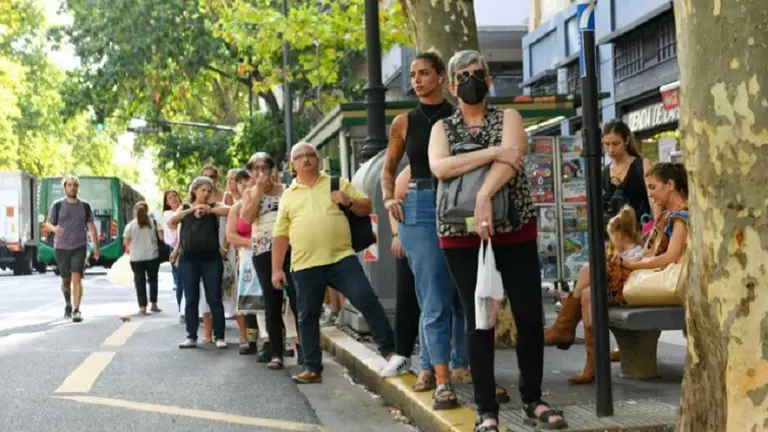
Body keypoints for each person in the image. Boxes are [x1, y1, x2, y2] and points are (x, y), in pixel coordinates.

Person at [428, 50, 566, 430]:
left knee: (528, 315)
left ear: (488, 79)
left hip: (514, 228)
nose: (472, 79)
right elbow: (440, 166)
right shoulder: (443, 128)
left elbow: (514, 157)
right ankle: (486, 410)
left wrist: (483, 195)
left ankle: (533, 399)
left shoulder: (509, 117)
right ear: (452, 84)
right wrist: (490, 152)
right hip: (460, 235)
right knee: (479, 321)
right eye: (464, 75)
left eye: (479, 73)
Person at [545, 163, 689, 384]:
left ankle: (565, 328)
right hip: (646, 275)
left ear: (670, 185)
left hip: (654, 280)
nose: (649, 194)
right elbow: (648, 253)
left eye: (653, 187)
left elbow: (669, 257)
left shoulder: (680, 218)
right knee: (587, 295)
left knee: (588, 269)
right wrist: (627, 261)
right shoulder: (665, 216)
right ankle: (591, 363)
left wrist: (630, 266)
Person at [380, 51, 469, 398]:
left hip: (458, 201)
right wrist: (389, 198)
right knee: (431, 291)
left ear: (442, 78)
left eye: (424, 73)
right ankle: (431, 369)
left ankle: (453, 362)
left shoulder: (460, 115)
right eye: (413, 74)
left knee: (461, 291)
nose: (416, 80)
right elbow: (388, 169)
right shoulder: (403, 122)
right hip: (418, 204)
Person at [272, 142, 395, 384]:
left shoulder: (337, 183)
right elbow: (280, 234)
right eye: (300, 157)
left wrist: (347, 201)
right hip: (305, 265)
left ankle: (390, 352)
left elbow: (366, 207)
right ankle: (312, 368)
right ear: (293, 165)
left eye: (310, 155)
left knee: (366, 300)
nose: (306, 159)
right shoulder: (288, 195)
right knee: (307, 316)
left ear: (318, 160)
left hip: (341, 258)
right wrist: (277, 268)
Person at [240, 152, 301, 369]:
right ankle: (276, 351)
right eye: (255, 169)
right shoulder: (249, 192)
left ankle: (303, 347)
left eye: (264, 167)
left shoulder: (286, 190)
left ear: (272, 169)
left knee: (296, 296)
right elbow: (246, 219)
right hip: (262, 247)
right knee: (271, 300)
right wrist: (257, 191)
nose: (260, 172)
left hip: (289, 244)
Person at [169, 176, 231, 349]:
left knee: (214, 297)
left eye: (209, 191)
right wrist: (191, 211)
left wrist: (209, 210)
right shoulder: (185, 208)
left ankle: (219, 336)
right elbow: (172, 222)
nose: (206, 193)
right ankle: (191, 336)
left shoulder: (214, 207)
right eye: (202, 190)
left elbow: (231, 211)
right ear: (194, 190)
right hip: (188, 259)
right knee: (191, 298)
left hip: (211, 258)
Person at [380, 166, 420, 378]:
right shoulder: (410, 169)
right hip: (411, 236)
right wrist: (397, 234)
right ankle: (403, 353)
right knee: (407, 296)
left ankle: (454, 360)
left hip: (445, 236)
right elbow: (394, 200)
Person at [45, 175, 100, 323]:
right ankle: (68, 304)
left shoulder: (85, 206)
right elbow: (48, 224)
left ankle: (76, 310)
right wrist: (54, 228)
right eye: (69, 185)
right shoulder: (57, 205)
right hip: (61, 247)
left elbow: (92, 228)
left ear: (78, 187)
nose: (72, 187)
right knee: (65, 280)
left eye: (75, 185)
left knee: (77, 277)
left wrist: (96, 248)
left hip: (79, 247)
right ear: (65, 188)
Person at [601, 119, 659, 223]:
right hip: (615, 234)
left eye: (615, 143)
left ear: (626, 140)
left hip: (641, 229)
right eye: (606, 144)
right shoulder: (605, 172)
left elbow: (654, 198)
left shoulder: (642, 165)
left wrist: (657, 223)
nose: (611, 149)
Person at [123, 202, 163, 314]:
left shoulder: (130, 225)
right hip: (152, 256)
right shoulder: (154, 222)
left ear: (135, 211)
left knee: (139, 281)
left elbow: (126, 241)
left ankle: (142, 306)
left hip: (136, 258)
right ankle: (154, 304)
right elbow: (161, 237)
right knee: (153, 280)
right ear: (147, 210)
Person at [162, 190, 184, 322]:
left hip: (187, 246)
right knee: (180, 282)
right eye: (170, 198)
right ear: (166, 202)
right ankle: (181, 311)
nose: (174, 199)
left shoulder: (185, 209)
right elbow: (174, 224)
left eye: (175, 196)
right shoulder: (168, 214)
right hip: (174, 248)